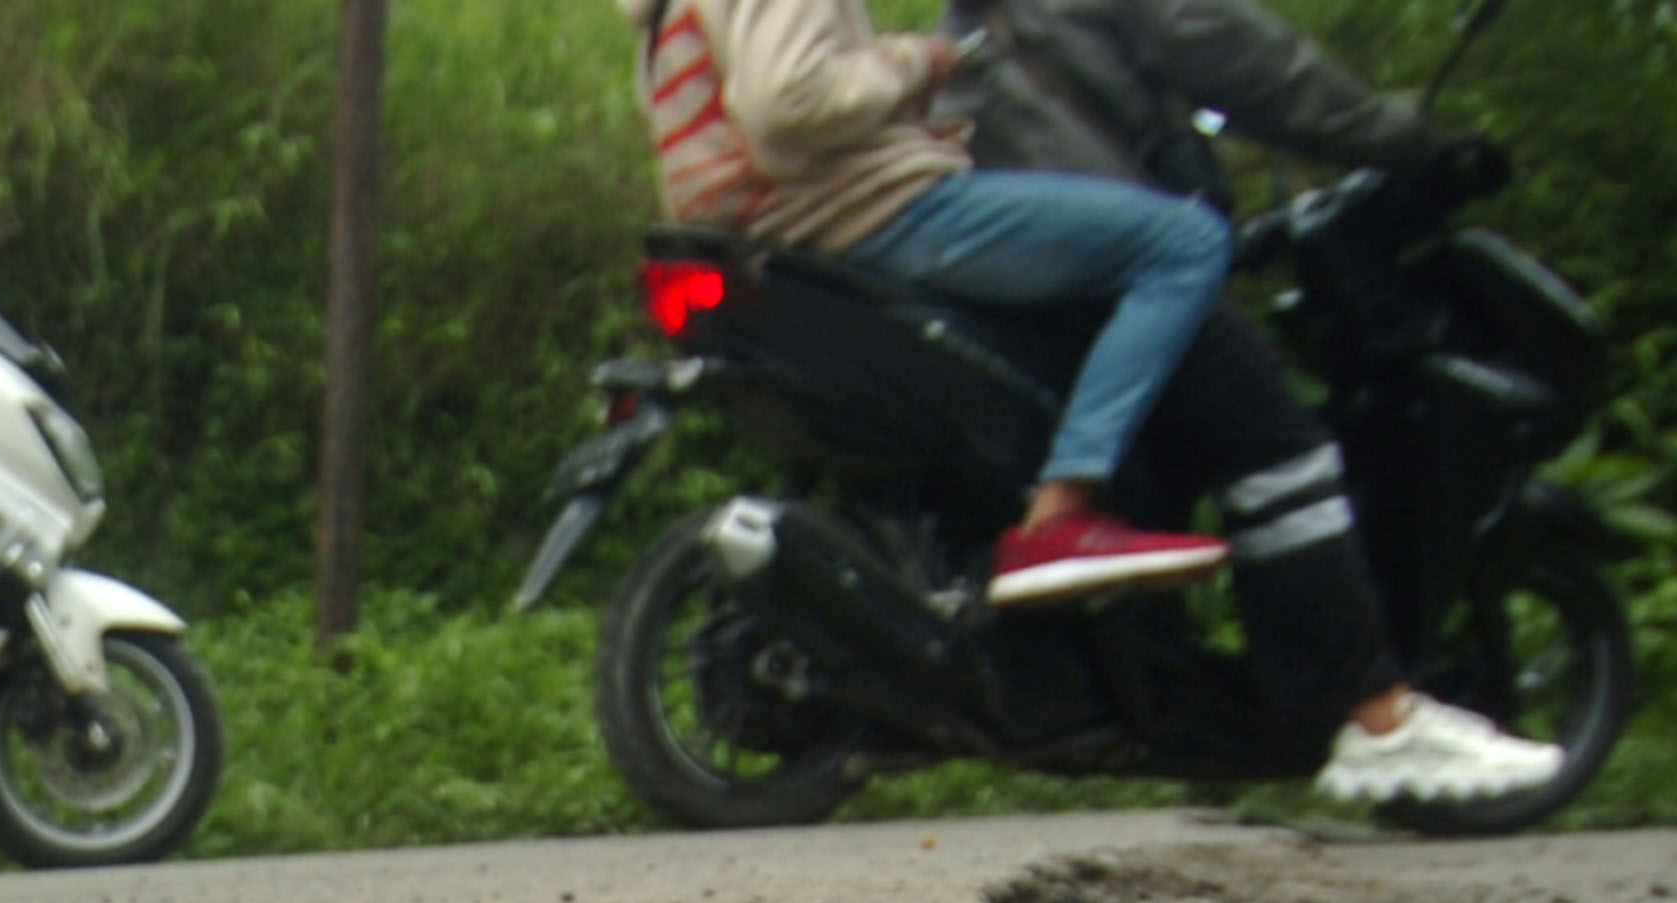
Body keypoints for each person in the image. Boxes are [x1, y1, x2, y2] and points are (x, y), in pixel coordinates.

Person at [939, 0, 1565, 804]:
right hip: (1107, 240)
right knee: (1278, 455)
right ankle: (1378, 720)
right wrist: (1405, 138)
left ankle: (1178, 704)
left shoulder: (973, 17)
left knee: (1171, 456)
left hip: (1011, 242)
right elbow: (1240, 54)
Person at [624, 0, 1233, 607]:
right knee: (1183, 242)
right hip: (865, 208)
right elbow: (787, 104)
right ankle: (1063, 511)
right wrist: (916, 62)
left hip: (772, 238)